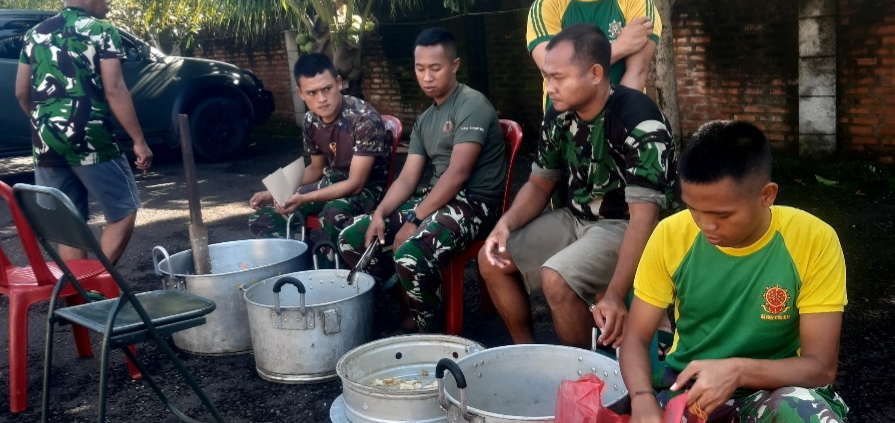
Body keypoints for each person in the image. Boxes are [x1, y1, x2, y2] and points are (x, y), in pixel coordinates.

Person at [620, 120, 849, 423]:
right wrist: (642, 399)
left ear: (767, 195)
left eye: (721, 214)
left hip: (774, 389)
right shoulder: (669, 235)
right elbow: (635, 337)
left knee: (805, 411)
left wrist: (737, 370)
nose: (705, 225)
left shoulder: (814, 240)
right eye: (693, 209)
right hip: (689, 387)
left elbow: (821, 367)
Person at [479, 23, 675, 349]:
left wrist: (613, 295)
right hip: (576, 218)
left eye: (558, 78)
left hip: (624, 224)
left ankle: (586, 376)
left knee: (557, 278)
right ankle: (525, 353)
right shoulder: (558, 114)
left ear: (596, 73)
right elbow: (539, 185)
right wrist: (504, 225)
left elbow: (644, 218)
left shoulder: (638, 119)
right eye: (547, 77)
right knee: (492, 258)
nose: (550, 87)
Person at [338, 27, 506, 334]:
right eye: (420, 69)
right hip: (436, 199)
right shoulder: (426, 119)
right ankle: (412, 304)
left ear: (454, 66)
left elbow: (458, 173)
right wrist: (379, 214)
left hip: (476, 204)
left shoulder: (472, 104)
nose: (427, 77)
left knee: (411, 252)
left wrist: (415, 219)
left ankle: (432, 332)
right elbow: (407, 178)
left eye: (435, 68)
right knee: (353, 237)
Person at [15, 0, 152, 265]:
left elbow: (21, 93)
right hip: (88, 136)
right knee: (124, 209)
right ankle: (99, 283)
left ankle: (79, 301)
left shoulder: (34, 35)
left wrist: (44, 123)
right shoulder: (102, 31)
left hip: (46, 141)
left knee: (70, 225)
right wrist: (139, 142)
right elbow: (114, 89)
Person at [248, 53, 390, 249]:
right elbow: (316, 169)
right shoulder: (310, 120)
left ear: (338, 83)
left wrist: (305, 197)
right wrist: (274, 191)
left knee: (332, 214)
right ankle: (301, 267)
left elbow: (356, 184)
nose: (321, 99)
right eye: (312, 93)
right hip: (329, 182)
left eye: (327, 89)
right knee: (263, 218)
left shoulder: (364, 119)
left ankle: (330, 272)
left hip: (368, 190)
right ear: (300, 93)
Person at [527, 0, 661, 121]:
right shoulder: (547, 6)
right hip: (564, 129)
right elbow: (558, 71)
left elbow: (638, 72)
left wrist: (609, 128)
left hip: (621, 125)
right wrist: (619, 47)